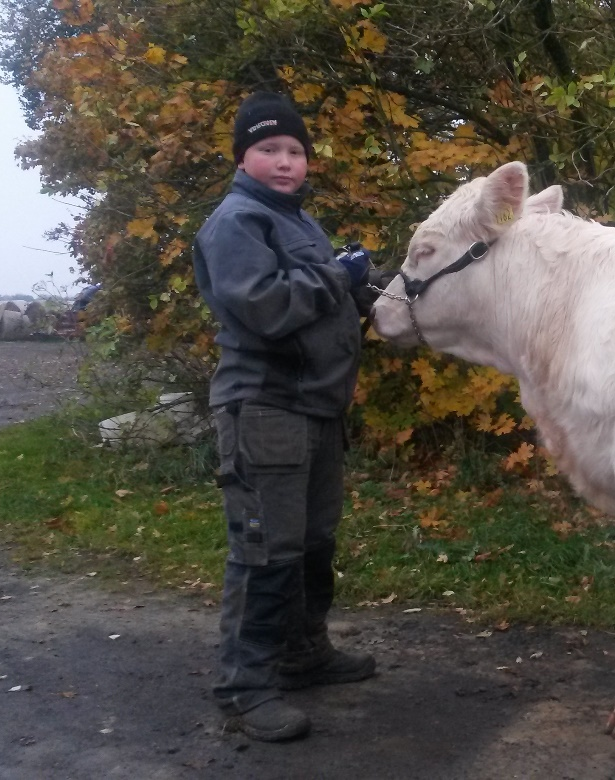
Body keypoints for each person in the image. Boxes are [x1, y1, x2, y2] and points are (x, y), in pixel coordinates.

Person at [192, 91, 380, 742]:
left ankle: (304, 653)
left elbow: (320, 302)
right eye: (268, 149)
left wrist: (357, 288)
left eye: (295, 151)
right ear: (243, 157)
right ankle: (244, 687)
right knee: (266, 551)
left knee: (312, 543)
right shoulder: (237, 222)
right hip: (266, 409)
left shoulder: (297, 221)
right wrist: (337, 277)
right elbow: (266, 308)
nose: (284, 161)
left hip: (316, 411)